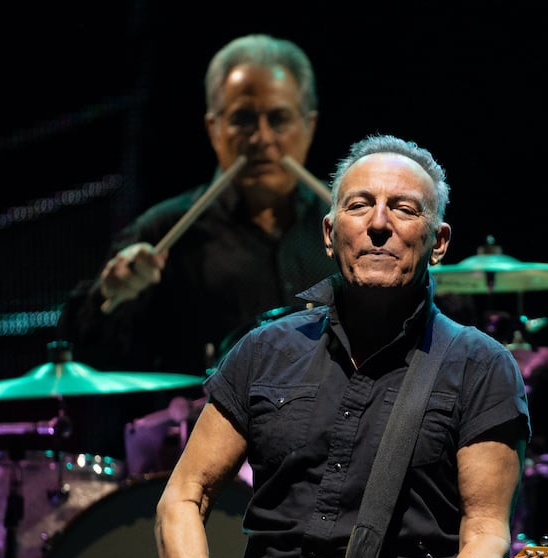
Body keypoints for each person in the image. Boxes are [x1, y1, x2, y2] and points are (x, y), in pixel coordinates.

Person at [152, 133, 531, 558]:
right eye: (361, 205)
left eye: (404, 209)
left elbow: (486, 528)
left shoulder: (479, 365)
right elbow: (182, 497)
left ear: (438, 241)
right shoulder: (264, 352)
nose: (379, 223)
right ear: (330, 232)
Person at [54, 34, 337, 461]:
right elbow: (82, 350)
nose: (261, 139)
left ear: (309, 125)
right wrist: (111, 295)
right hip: (210, 472)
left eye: (278, 119)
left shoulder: (349, 227)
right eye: (243, 119)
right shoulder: (163, 230)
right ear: (214, 128)